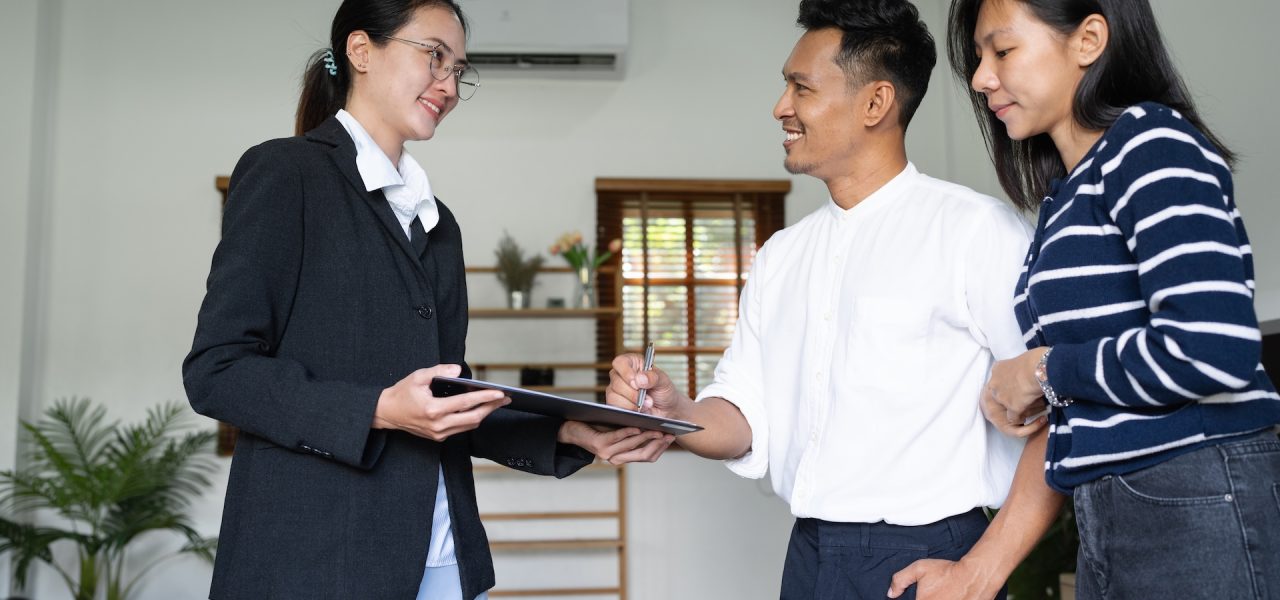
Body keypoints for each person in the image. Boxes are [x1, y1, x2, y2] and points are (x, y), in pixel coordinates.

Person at [182, 1, 672, 598]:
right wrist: (378, 409)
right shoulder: (286, 173)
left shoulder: (438, 224)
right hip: (317, 565)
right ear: (361, 51)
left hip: (444, 556)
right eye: (434, 56)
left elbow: (444, 397)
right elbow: (217, 371)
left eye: (459, 69)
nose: (450, 85)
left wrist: (569, 431)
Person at [607, 0, 1063, 597]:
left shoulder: (976, 232)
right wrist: (674, 408)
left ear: (876, 103)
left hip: (930, 555)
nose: (781, 107)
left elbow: (1059, 409)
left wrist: (982, 570)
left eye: (801, 88)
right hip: (809, 554)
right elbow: (743, 420)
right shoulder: (782, 255)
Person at [942, 0, 1280, 597]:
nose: (981, 78)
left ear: (1088, 40)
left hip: (1193, 492)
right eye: (977, 58)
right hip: (1113, 506)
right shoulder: (1068, 194)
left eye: (1003, 50)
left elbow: (1212, 349)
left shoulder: (1150, 143)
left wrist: (1042, 371)